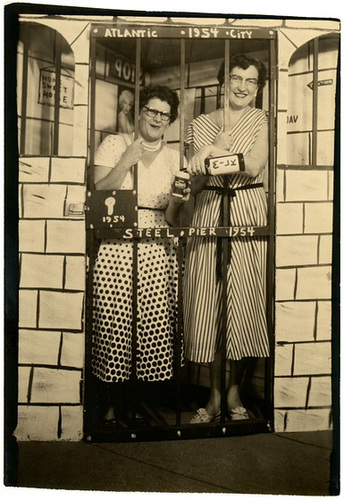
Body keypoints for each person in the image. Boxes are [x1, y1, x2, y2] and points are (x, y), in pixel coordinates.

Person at [92, 85, 189, 424]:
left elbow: (175, 219)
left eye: (164, 114)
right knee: (114, 321)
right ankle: (112, 403)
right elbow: (97, 192)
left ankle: (140, 404)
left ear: (171, 120)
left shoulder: (177, 158)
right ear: (139, 111)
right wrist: (124, 163)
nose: (157, 118)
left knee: (152, 325)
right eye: (151, 110)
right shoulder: (114, 143)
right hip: (118, 243)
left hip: (157, 248)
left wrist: (178, 202)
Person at [183, 54, 270, 423]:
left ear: (258, 89)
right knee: (210, 305)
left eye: (251, 82)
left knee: (243, 306)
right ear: (224, 81)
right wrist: (202, 156)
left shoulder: (262, 119)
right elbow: (194, 177)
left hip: (249, 212)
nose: (242, 87)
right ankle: (215, 395)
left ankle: (236, 391)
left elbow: (254, 165)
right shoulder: (198, 123)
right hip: (208, 212)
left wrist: (211, 151)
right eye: (236, 77)